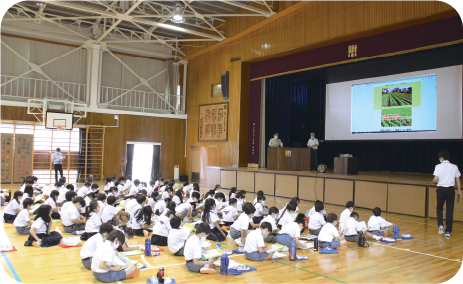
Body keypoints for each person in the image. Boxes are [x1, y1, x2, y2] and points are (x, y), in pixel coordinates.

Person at [432, 149, 461, 237]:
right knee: (449, 210)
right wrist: (459, 191)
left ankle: (440, 225)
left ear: (442, 158)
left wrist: (433, 181)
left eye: (440, 158)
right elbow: (458, 180)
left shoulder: (438, 166)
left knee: (439, 208)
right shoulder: (454, 166)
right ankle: (448, 231)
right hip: (450, 190)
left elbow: (436, 179)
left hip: (441, 189)